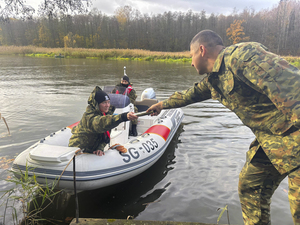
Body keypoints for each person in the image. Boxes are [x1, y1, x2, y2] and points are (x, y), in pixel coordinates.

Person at [147, 29, 300, 225]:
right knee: (250, 185)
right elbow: (189, 95)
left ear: (202, 50)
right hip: (273, 142)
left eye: (191, 56)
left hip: (294, 138)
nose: (191, 62)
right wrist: (161, 105)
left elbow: (293, 85)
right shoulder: (214, 80)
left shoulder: (243, 56)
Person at [69, 86, 138, 156]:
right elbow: (101, 123)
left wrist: (100, 148)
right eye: (104, 103)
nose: (107, 105)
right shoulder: (89, 117)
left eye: (108, 102)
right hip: (76, 151)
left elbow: (105, 136)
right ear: (97, 105)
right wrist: (123, 117)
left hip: (91, 151)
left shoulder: (105, 113)